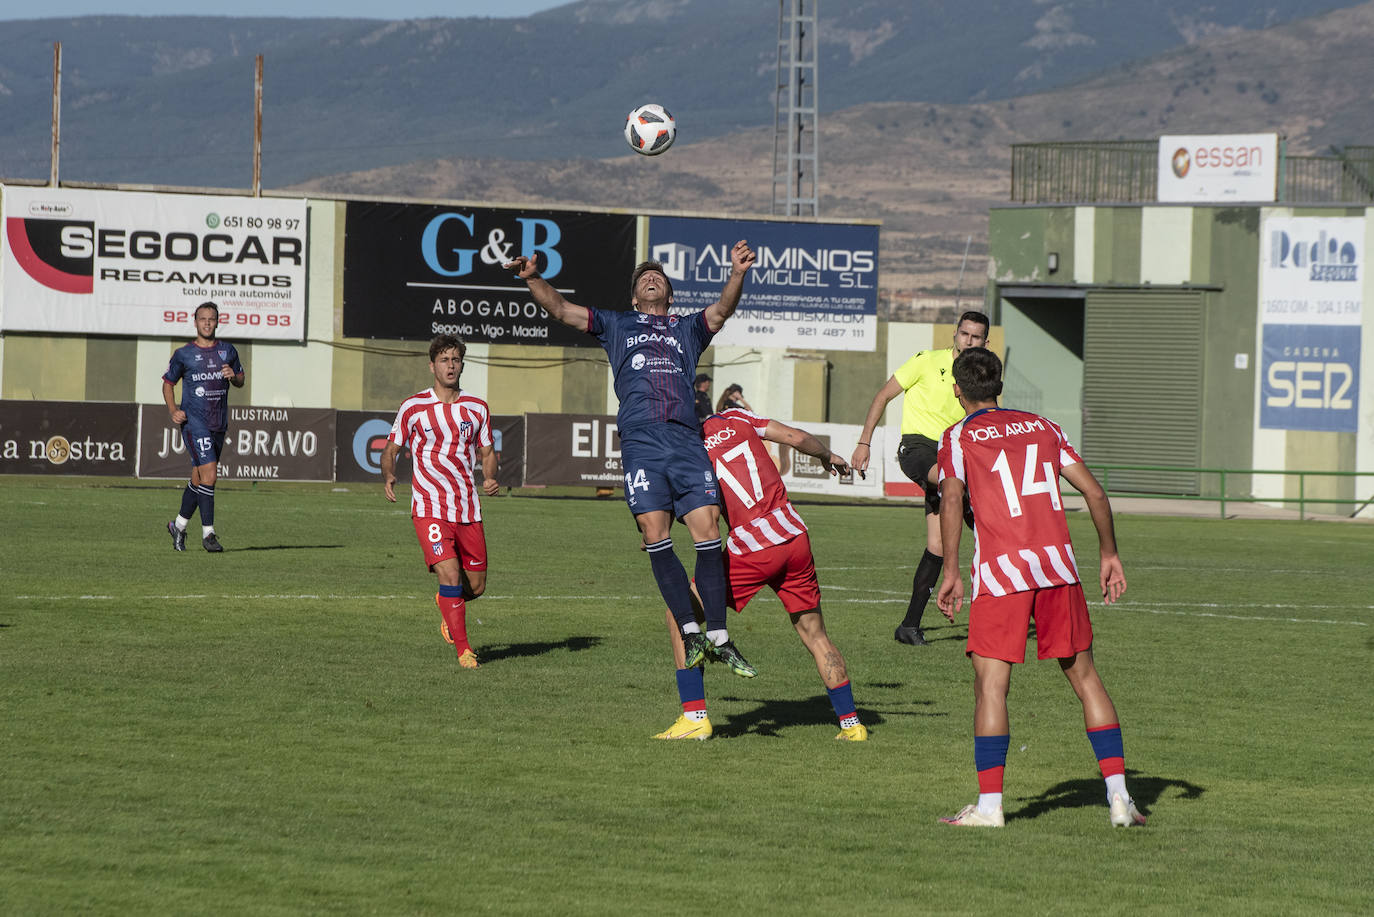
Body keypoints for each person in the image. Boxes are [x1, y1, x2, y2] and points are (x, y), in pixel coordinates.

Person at [505, 241, 758, 676]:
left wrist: (737, 273)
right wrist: (531, 278)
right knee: (654, 531)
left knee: (708, 527)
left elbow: (720, 311)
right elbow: (563, 310)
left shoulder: (687, 328)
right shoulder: (617, 323)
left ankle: (719, 635)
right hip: (641, 441)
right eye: (644, 279)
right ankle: (690, 631)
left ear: (670, 295)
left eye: (658, 276)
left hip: (684, 439)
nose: (652, 278)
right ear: (635, 297)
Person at [933, 347, 1145, 829]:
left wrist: (950, 569)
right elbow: (1093, 491)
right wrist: (1108, 553)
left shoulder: (958, 435)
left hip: (1003, 572)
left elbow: (951, 496)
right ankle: (1119, 798)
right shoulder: (1044, 427)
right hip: (1058, 569)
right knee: (1086, 678)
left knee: (991, 687)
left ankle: (990, 808)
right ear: (1000, 386)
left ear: (957, 390)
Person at [655, 406, 868, 742]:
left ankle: (694, 716)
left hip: (752, 546)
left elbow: (701, 514)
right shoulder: (737, 417)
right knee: (815, 634)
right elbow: (796, 438)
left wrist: (657, 531)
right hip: (794, 534)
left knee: (679, 611)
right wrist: (828, 455)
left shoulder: (690, 448)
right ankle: (852, 725)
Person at [851, 310, 990, 646]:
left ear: (985, 342)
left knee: (938, 546)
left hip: (955, 453)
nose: (969, 342)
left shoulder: (979, 376)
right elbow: (883, 396)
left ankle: (909, 626)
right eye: (964, 335)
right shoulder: (926, 361)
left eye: (976, 338)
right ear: (955, 334)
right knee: (962, 493)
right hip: (919, 450)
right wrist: (864, 441)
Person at [381, 334, 499, 669]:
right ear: (432, 365)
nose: (451, 365)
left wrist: (490, 477)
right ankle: (465, 650)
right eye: (444, 360)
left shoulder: (476, 408)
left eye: (456, 360)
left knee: (475, 586)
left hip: (467, 509)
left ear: (462, 365)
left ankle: (447, 605)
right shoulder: (413, 407)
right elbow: (391, 450)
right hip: (429, 508)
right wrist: (388, 474)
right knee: (448, 574)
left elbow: (487, 452)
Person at [163, 301, 244, 553]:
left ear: (217, 322)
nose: (207, 323)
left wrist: (235, 376)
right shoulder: (183, 354)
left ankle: (178, 525)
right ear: (195, 321)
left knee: (199, 478)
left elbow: (241, 379)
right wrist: (174, 410)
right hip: (194, 424)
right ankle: (208, 534)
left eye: (211, 319)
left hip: (218, 423)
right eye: (202, 319)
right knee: (210, 475)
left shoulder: (228, 351)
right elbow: (168, 383)